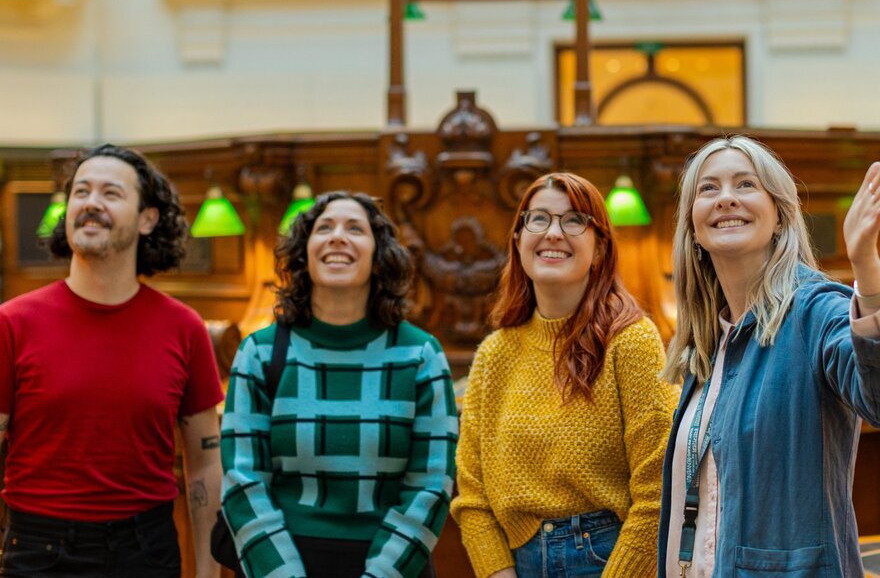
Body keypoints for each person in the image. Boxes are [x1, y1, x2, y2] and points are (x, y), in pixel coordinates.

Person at [658, 136, 880, 577]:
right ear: (693, 228)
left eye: (745, 185)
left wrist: (867, 272)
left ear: (779, 215)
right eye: (708, 188)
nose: (725, 199)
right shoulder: (707, 342)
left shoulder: (815, 310)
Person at [0, 144, 225, 577]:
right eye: (80, 192)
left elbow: (205, 463)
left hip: (146, 551)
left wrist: (209, 573)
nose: (90, 203)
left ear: (148, 218)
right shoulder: (12, 323)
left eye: (110, 193)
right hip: (37, 551)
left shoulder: (185, 327)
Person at [220, 191, 458, 578]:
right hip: (283, 560)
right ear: (304, 254)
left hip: (394, 564)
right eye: (324, 228)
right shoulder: (260, 353)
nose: (337, 237)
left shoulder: (420, 354)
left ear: (379, 258)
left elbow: (431, 486)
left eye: (355, 229)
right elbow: (241, 482)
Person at [451, 173, 677, 578]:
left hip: (609, 559)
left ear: (599, 248)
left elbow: (659, 487)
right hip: (517, 564)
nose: (553, 233)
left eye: (574, 221)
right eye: (538, 219)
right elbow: (473, 497)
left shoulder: (631, 341)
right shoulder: (493, 355)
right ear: (518, 240)